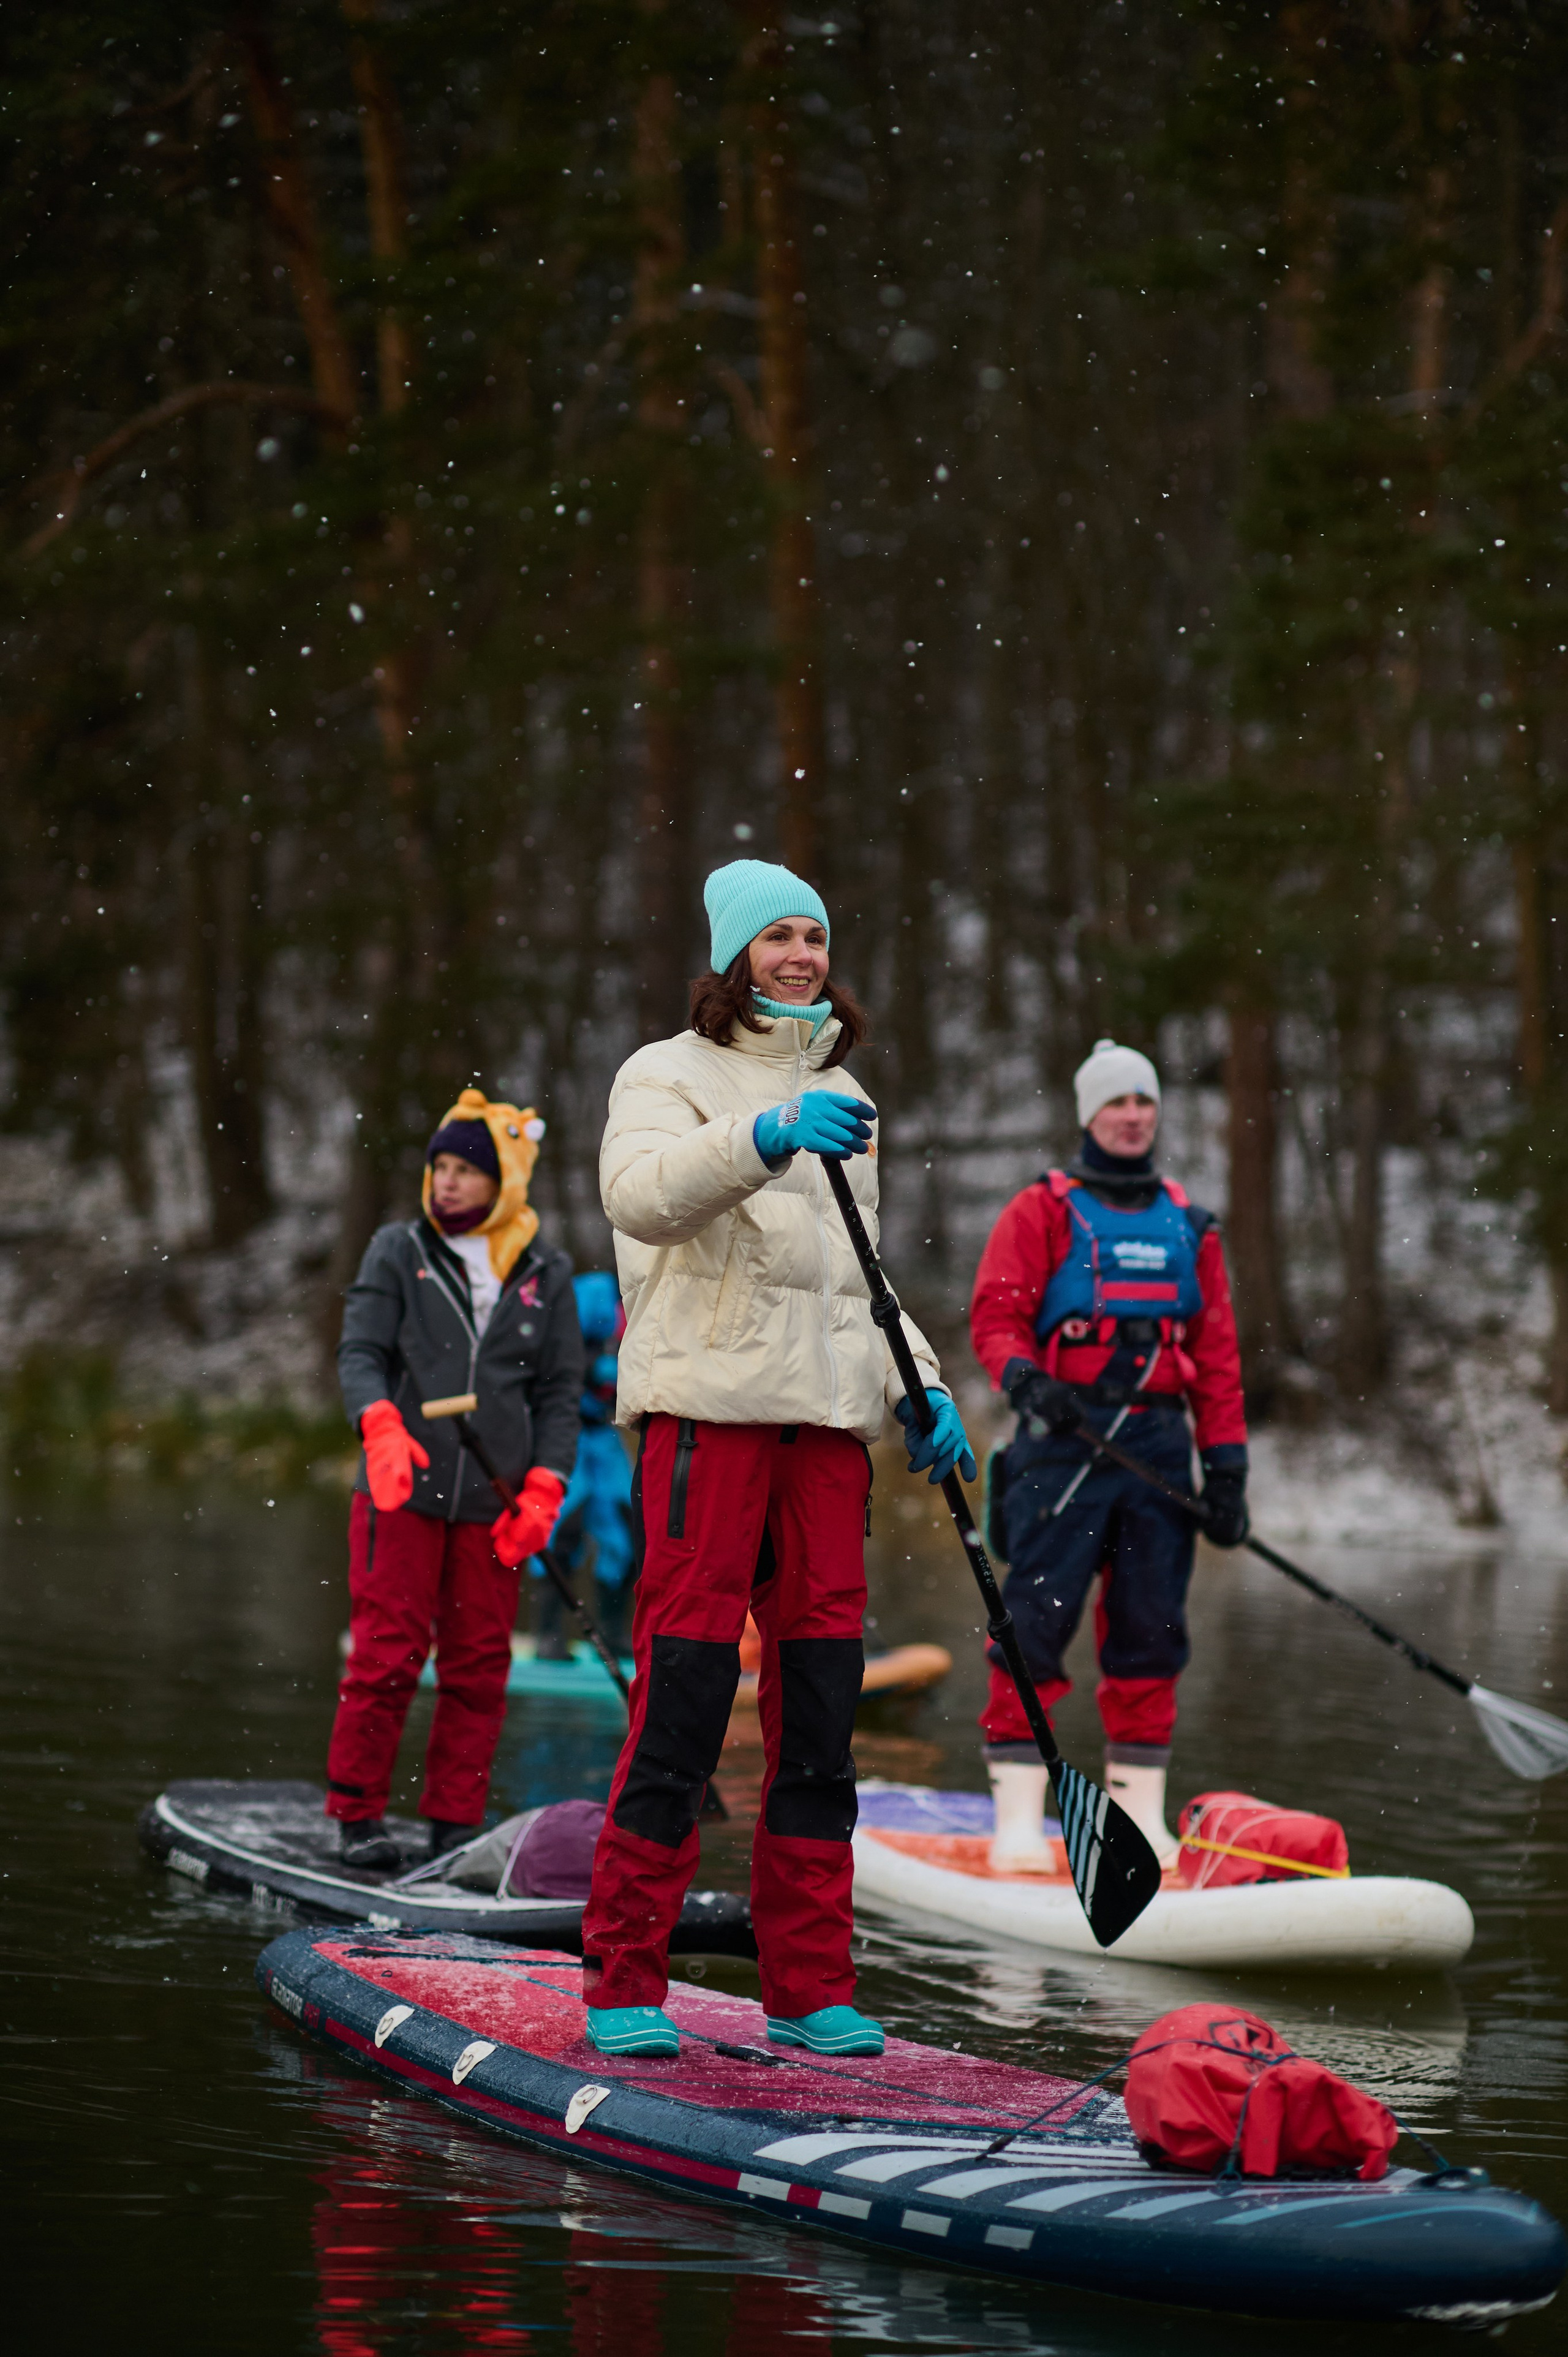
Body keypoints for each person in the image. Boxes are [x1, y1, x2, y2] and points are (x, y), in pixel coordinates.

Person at [579, 858, 975, 2059]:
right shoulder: (666, 1074)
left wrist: (927, 1383)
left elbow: (854, 1279)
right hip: (707, 1420)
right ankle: (622, 1982)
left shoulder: (842, 1094)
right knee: (689, 1699)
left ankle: (806, 1990)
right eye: (778, 937)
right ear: (734, 955)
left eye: (814, 935)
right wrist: (758, 1132)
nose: (801, 954)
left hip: (825, 1437)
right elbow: (638, 1199)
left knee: (817, 1714)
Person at [969, 1038, 1248, 1871]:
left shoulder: (1192, 1224)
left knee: (1151, 1634)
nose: (1132, 1117)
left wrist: (1228, 1471)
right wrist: (1026, 1381)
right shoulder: (1042, 1210)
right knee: (1033, 1629)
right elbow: (996, 1318)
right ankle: (1018, 1822)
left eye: (1144, 1103)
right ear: (1089, 1114)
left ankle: (1139, 1823)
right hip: (1064, 1445)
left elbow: (1221, 1361)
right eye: (1116, 1103)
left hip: (1161, 1454)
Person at [327, 1088, 584, 1868]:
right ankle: (357, 1814)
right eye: (438, 1167)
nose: (446, 1182)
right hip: (399, 1492)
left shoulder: (547, 1268)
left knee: (479, 1665)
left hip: (493, 1505)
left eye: (465, 1170)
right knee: (388, 1655)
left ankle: (452, 1821)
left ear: (504, 1177)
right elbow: (361, 1353)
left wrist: (545, 1484)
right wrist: (378, 1419)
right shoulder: (396, 1249)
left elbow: (560, 1392)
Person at [533, 1271, 636, 1660]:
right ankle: (549, 1634)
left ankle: (611, 1634)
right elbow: (553, 1376)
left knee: (625, 1534)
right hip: (569, 1440)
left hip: (604, 1442)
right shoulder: (581, 1315)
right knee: (562, 1532)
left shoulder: (619, 1330)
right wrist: (595, 1371)